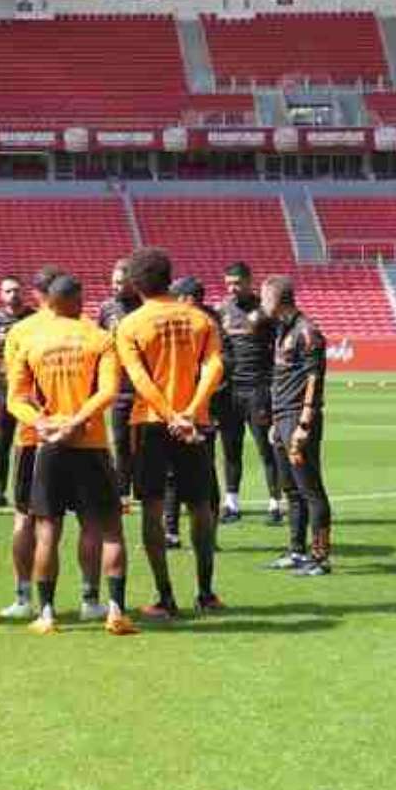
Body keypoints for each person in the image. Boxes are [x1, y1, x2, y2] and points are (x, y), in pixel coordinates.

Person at [8, 275, 138, 637]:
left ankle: (47, 614)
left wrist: (45, 423)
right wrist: (77, 421)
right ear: (77, 300)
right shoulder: (98, 338)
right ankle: (111, 609)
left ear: (48, 302)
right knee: (107, 529)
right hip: (91, 444)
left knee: (47, 531)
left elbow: (14, 398)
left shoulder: (30, 340)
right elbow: (110, 390)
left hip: (49, 445)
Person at [116, 247, 225, 619]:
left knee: (152, 505)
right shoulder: (200, 319)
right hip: (194, 423)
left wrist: (168, 414)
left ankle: (165, 597)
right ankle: (206, 592)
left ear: (135, 283)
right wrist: (190, 412)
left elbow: (139, 378)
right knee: (200, 506)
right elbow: (214, 366)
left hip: (150, 422)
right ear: (169, 278)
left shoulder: (130, 325)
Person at [0, 264, 62, 618]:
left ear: (37, 295)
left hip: (32, 433)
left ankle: (24, 598)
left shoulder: (21, 332)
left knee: (24, 517)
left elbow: (16, 388)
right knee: (90, 522)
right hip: (77, 435)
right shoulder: (83, 327)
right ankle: (91, 598)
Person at [262, 275, 333, 576]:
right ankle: (296, 551)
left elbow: (314, 379)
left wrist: (304, 422)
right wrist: (275, 422)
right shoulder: (282, 330)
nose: (262, 303)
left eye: (265, 297)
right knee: (290, 489)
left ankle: (321, 558)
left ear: (279, 299)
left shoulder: (308, 332)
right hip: (282, 418)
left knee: (310, 489)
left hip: (297, 418)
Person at [216, 262, 281, 525]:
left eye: (237, 283)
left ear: (249, 281)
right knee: (231, 450)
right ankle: (231, 503)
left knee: (267, 449)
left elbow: (279, 348)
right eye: (228, 283)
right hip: (230, 391)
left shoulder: (265, 311)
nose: (232, 288)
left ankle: (275, 504)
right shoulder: (222, 310)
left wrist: (273, 384)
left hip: (258, 390)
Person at [168, 277, 225, 545]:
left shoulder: (210, 323)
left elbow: (225, 363)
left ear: (187, 299)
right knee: (174, 474)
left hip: (198, 412)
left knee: (203, 474)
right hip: (178, 408)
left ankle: (206, 534)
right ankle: (172, 531)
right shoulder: (189, 322)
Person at [0, 275, 33, 509]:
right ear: (0, 295)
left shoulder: (34, 318)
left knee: (28, 443)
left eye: (16, 290)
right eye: (7, 291)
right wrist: (0, 367)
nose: (12, 294)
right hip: (4, 388)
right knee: (1, 443)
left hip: (30, 389)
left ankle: (26, 490)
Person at [97, 259, 141, 504]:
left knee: (145, 443)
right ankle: (123, 489)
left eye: (121, 283)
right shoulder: (107, 309)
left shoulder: (144, 307)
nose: (116, 287)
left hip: (144, 386)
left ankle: (143, 487)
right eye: (113, 282)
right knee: (121, 440)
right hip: (119, 387)